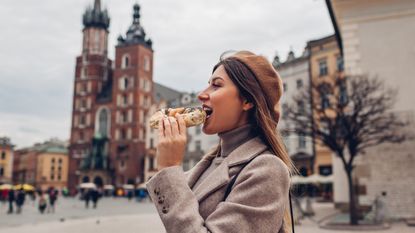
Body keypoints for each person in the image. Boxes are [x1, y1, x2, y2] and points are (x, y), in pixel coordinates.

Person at [146, 51, 294, 233]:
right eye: (208, 84)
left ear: (247, 100)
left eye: (216, 86)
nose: (201, 95)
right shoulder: (208, 164)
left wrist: (169, 166)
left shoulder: (267, 169)